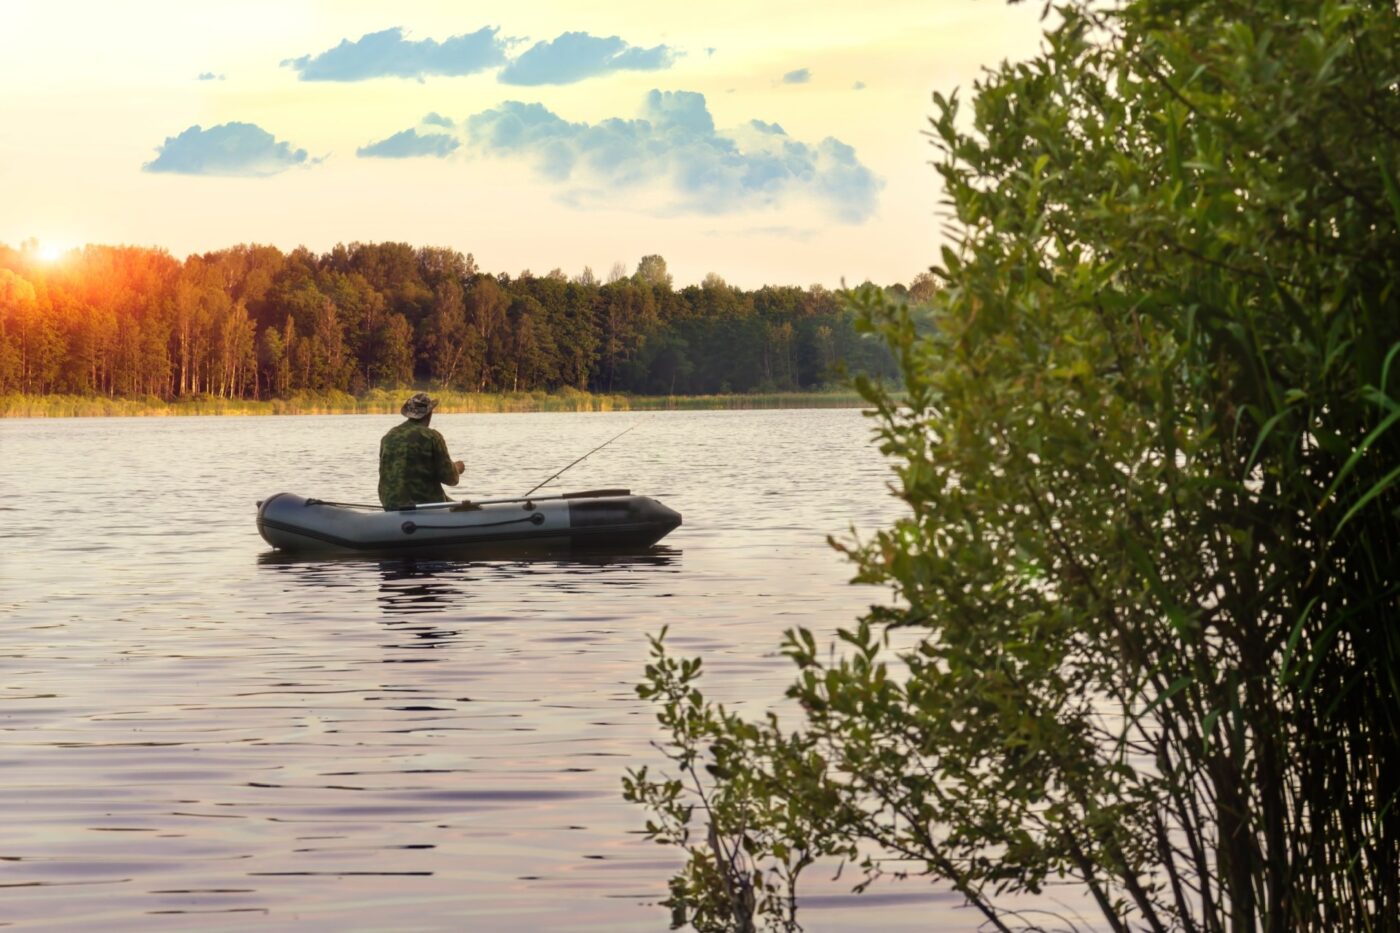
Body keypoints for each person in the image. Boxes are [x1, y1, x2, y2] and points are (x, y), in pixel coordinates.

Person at [377, 392, 466, 510]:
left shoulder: (389, 436)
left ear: (409, 414)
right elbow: (450, 478)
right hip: (423, 505)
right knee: (467, 509)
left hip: (390, 504)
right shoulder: (432, 437)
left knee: (454, 503)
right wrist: (457, 468)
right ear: (429, 414)